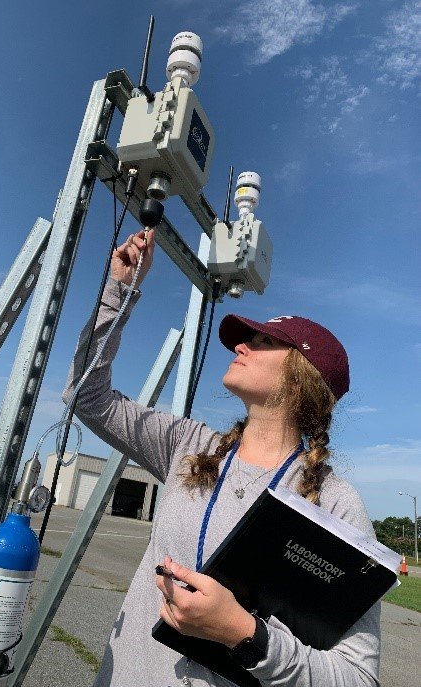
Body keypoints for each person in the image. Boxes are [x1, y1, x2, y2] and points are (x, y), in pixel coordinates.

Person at [63, 228, 380, 687]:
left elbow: (357, 678)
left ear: (302, 378)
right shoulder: (189, 446)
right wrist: (121, 292)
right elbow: (87, 395)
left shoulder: (335, 502)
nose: (240, 345)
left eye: (263, 341)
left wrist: (245, 634)